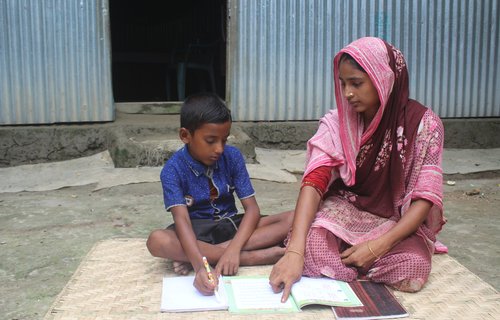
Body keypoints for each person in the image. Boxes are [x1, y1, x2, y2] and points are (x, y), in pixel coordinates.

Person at [269, 37, 446, 302]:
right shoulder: (337, 122)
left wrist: (377, 247)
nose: (347, 93)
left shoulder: (425, 125)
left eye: (356, 83)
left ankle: (350, 261)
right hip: (347, 212)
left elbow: (424, 198)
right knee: (314, 245)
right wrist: (295, 252)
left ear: (383, 79)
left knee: (413, 267)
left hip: (395, 223)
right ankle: (347, 260)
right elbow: (315, 181)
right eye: (342, 84)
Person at [147, 92, 293, 296]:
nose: (219, 148)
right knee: (157, 240)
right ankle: (252, 257)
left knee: (294, 218)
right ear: (185, 136)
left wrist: (233, 249)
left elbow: (252, 210)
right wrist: (200, 269)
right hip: (196, 230)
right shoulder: (172, 170)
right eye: (210, 140)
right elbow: (182, 221)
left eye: (224, 140)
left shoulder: (232, 157)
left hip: (232, 224)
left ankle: (207, 255)